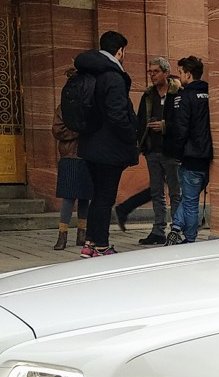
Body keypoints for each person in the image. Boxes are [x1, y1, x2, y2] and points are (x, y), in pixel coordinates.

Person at [73, 30, 138, 257]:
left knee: (97, 196)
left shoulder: (89, 72)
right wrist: (132, 136)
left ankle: (89, 244)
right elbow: (117, 114)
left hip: (90, 145)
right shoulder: (112, 76)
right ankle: (101, 245)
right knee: (105, 197)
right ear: (119, 51)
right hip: (109, 148)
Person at [116, 57, 182, 246]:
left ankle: (177, 230)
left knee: (176, 193)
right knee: (156, 192)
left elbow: (183, 121)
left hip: (172, 150)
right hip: (152, 149)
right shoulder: (148, 95)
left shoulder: (177, 93)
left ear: (166, 73)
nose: (152, 75)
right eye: (150, 72)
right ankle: (158, 230)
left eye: (155, 71)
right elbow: (140, 121)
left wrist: (164, 126)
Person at [167, 55, 213, 245]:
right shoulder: (211, 93)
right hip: (210, 156)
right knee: (190, 197)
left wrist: (176, 153)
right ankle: (177, 226)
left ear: (188, 73)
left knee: (190, 201)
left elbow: (180, 128)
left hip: (191, 155)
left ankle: (190, 239)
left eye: (180, 72)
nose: (180, 76)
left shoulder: (184, 96)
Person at [52, 66, 91, 251]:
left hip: (86, 154)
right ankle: (62, 234)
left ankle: (82, 233)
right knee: (68, 197)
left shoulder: (88, 106)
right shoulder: (63, 107)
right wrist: (80, 130)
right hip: (69, 154)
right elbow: (58, 129)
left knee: (85, 197)